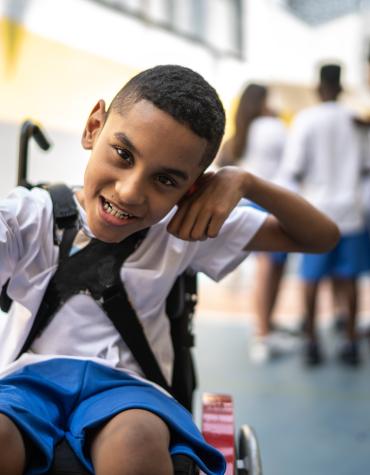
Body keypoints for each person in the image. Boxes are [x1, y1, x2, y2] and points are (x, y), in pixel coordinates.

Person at [0, 64, 339, 475]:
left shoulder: (184, 228)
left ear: (191, 190)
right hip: (27, 381)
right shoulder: (27, 217)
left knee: (136, 441)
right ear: (93, 127)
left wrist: (246, 183)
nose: (130, 191)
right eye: (123, 155)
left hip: (127, 390)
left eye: (165, 180)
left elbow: (320, 237)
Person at [278, 63, 370, 367]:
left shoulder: (306, 120)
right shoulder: (357, 121)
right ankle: (350, 341)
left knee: (311, 279)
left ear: (318, 88)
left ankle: (312, 341)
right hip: (351, 211)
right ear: (341, 88)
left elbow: (293, 168)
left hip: (316, 212)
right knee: (349, 279)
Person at [218, 84, 292, 363]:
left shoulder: (241, 133)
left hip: (248, 202)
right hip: (272, 201)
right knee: (270, 269)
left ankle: (264, 329)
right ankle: (263, 332)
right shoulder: (272, 127)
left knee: (266, 269)